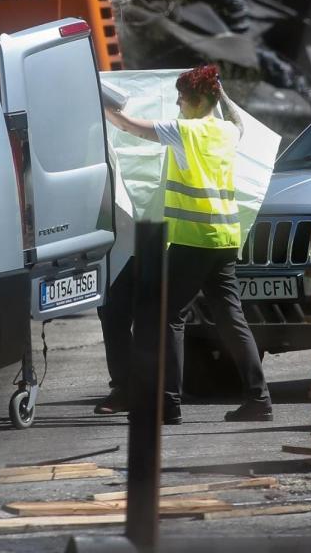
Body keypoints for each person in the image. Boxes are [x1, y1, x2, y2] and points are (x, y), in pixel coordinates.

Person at [94, 64, 272, 424]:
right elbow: (239, 122)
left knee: (167, 317)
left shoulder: (183, 132)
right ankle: (260, 399)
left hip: (192, 241)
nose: (176, 105)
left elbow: (126, 124)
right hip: (224, 239)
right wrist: (221, 94)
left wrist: (95, 96)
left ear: (196, 100)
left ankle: (168, 404)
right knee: (231, 319)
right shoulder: (226, 131)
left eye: (181, 99)